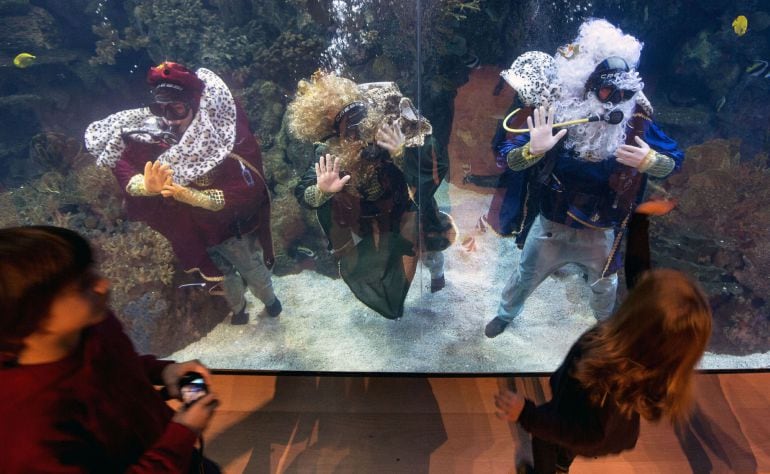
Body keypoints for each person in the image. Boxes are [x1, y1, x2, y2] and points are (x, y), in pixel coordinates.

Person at [485, 20, 685, 338]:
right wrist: (531, 151)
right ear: (591, 87)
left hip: (603, 227)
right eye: (608, 91)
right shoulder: (562, 111)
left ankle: (606, 329)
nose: (615, 100)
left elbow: (675, 160)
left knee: (605, 283)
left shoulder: (636, 120)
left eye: (625, 93)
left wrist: (651, 161)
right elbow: (506, 157)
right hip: (552, 222)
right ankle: (505, 314)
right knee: (525, 274)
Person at [0, 225, 220, 472]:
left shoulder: (95, 323)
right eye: (82, 285)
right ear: (28, 315)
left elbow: (116, 361)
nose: (103, 284)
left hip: (172, 450)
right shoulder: (24, 428)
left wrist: (164, 371)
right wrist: (184, 431)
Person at [85, 61, 281, 324]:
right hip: (195, 234)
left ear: (194, 103)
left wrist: (196, 197)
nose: (168, 118)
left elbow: (246, 187)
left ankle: (269, 299)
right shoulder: (151, 133)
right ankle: (238, 308)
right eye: (161, 109)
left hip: (226, 229)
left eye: (176, 108)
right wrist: (145, 186)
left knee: (250, 267)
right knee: (223, 276)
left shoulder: (221, 134)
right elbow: (123, 164)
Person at [494, 268, 712, 474]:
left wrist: (527, 414)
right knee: (565, 444)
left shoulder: (608, 380)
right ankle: (561, 463)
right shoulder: (653, 369)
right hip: (607, 429)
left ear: (636, 319)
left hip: (581, 426)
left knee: (545, 438)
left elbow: (587, 434)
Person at [290, 73, 455, 319]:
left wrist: (401, 153)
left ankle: (437, 275)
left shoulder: (392, 132)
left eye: (360, 122)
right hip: (371, 222)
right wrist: (323, 190)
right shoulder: (328, 150)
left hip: (406, 210)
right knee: (381, 258)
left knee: (429, 250)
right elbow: (304, 193)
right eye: (347, 128)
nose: (357, 136)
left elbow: (432, 165)